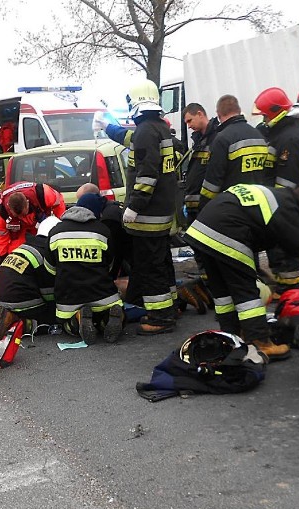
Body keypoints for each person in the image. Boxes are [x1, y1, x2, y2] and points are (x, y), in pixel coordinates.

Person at [184, 183, 299, 362]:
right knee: (246, 293)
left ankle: (230, 336)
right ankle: (261, 342)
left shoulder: (278, 196)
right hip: (229, 232)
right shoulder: (288, 208)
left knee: (222, 293)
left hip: (201, 230)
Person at [103, 78, 179, 335]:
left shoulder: (147, 131)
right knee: (162, 261)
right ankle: (170, 305)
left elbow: (147, 175)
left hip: (148, 214)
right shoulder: (158, 127)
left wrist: (134, 206)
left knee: (150, 266)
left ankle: (161, 316)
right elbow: (133, 140)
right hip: (162, 211)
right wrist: (108, 128)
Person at [253, 87, 299, 292]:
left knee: (285, 251)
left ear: (274, 112)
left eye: (264, 114)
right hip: (280, 202)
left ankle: (290, 291)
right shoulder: (282, 133)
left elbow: (286, 180)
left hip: (286, 204)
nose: (262, 118)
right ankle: (284, 286)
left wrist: (275, 208)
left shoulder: (289, 137)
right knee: (277, 249)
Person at [45, 193, 124, 344]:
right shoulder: (102, 230)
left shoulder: (55, 232)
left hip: (69, 298)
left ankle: (77, 319)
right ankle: (112, 318)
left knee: (68, 327)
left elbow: (50, 268)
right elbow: (110, 264)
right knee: (105, 315)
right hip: (104, 295)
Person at [0, 216, 60, 340]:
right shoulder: (44, 253)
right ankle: (18, 323)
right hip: (21, 300)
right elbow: (48, 292)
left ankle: (1, 318)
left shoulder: (23, 248)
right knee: (53, 322)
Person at [199, 95, 268, 211]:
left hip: (232, 206)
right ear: (239, 110)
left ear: (218, 113)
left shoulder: (222, 139)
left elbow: (212, 184)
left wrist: (204, 208)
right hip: (258, 204)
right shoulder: (259, 135)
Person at [0, 181, 66, 256]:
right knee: (14, 252)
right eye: (17, 216)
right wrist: (3, 257)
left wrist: (60, 229)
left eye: (23, 214)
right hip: (21, 229)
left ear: (27, 204)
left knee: (51, 245)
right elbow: (1, 238)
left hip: (40, 221)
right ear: (10, 209)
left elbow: (59, 205)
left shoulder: (44, 194)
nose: (22, 217)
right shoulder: (1, 212)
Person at [182, 103, 219, 221]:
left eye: (189, 121)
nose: (188, 126)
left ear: (199, 114)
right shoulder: (199, 140)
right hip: (194, 208)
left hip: (207, 207)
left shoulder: (217, 138)